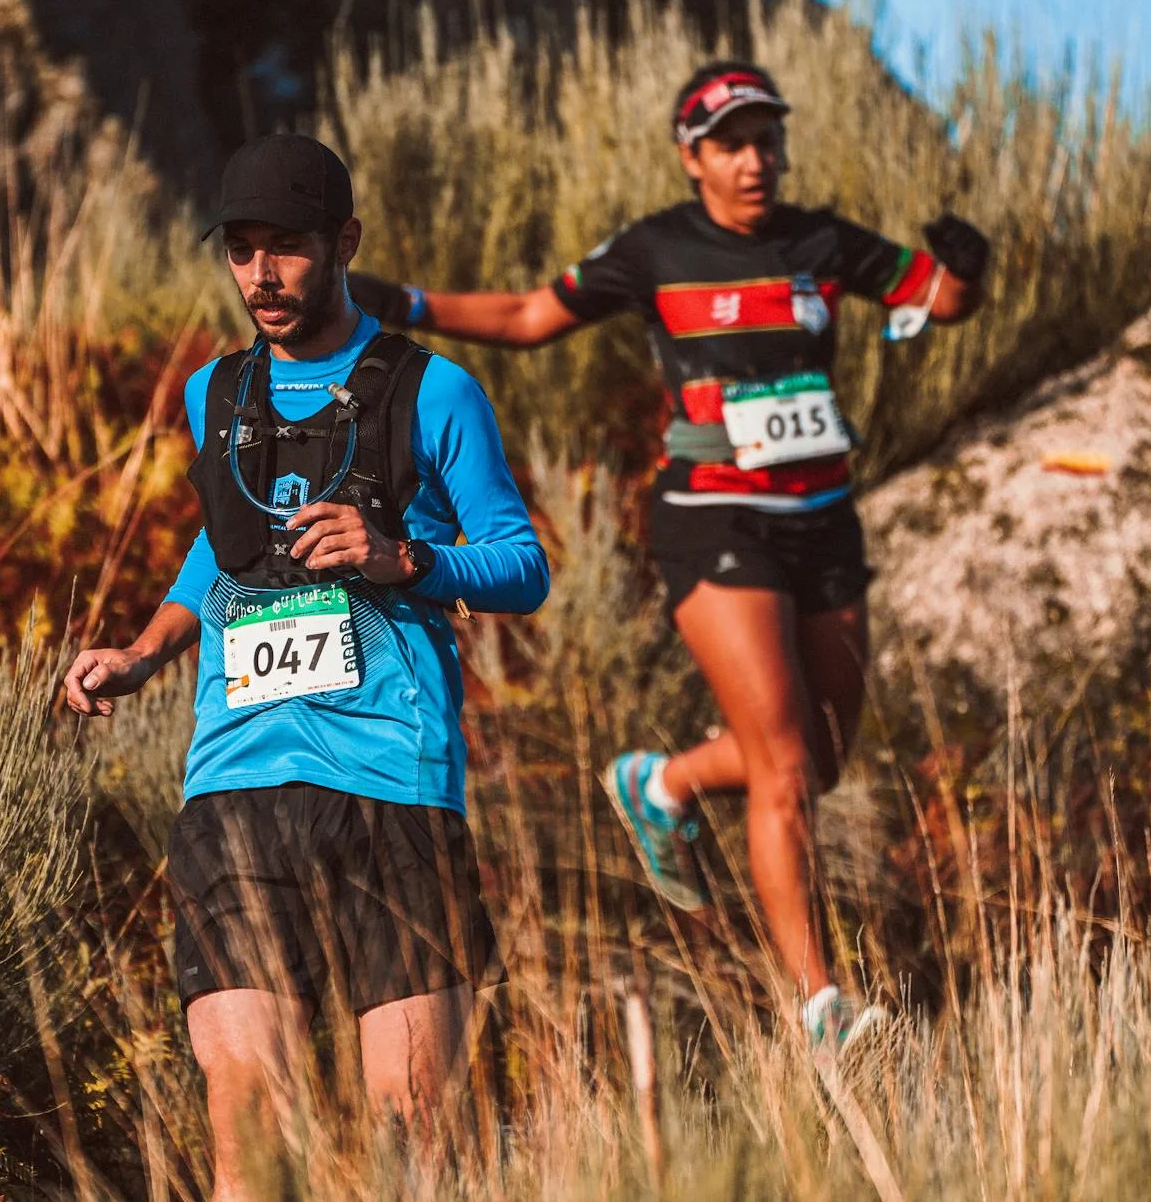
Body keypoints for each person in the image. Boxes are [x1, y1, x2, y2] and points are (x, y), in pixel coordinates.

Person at [349, 61, 988, 1054]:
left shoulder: (820, 242)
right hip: (711, 521)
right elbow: (527, 317)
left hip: (822, 523)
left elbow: (937, 301)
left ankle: (663, 781)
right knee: (780, 770)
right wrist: (403, 300)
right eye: (731, 143)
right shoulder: (654, 250)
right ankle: (821, 1007)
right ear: (691, 156)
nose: (753, 160)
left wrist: (963, 270)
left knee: (816, 758)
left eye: (766, 139)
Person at [62, 133, 548, 1200]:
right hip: (235, 785)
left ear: (344, 242)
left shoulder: (434, 391)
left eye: (285, 249)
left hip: (394, 786)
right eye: (240, 251)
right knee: (247, 1111)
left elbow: (522, 563)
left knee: (412, 1133)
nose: (261, 276)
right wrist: (144, 652)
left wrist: (402, 557)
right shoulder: (214, 392)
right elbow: (221, 542)